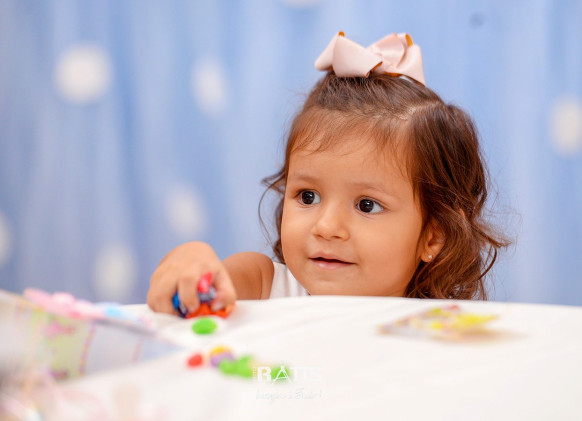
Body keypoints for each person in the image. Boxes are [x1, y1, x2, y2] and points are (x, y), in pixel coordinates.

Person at [147, 31, 509, 316]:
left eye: (366, 205)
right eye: (308, 197)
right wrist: (191, 259)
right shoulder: (264, 285)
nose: (326, 227)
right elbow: (209, 283)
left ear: (433, 236)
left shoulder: (438, 327)